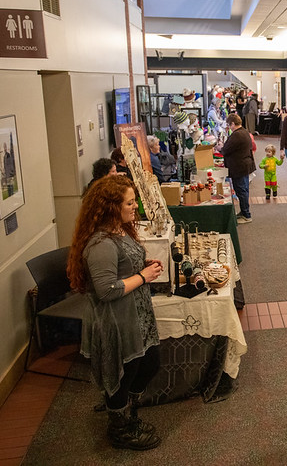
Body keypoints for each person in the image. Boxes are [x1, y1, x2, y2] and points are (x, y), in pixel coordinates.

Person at [66, 175, 163, 451]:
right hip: (117, 319)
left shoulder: (120, 230)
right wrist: (143, 276)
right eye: (130, 203)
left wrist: (143, 264)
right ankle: (119, 427)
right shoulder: (100, 244)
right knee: (124, 372)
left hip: (135, 313)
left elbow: (124, 265)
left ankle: (128, 412)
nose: (135, 207)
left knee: (149, 362)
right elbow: (107, 290)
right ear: (111, 207)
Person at [222, 113, 256, 223]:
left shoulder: (237, 135)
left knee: (241, 191)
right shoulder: (244, 132)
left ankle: (246, 215)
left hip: (239, 166)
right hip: (244, 165)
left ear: (232, 123)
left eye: (229, 125)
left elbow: (226, 149)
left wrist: (219, 148)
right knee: (244, 190)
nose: (229, 127)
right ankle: (244, 212)